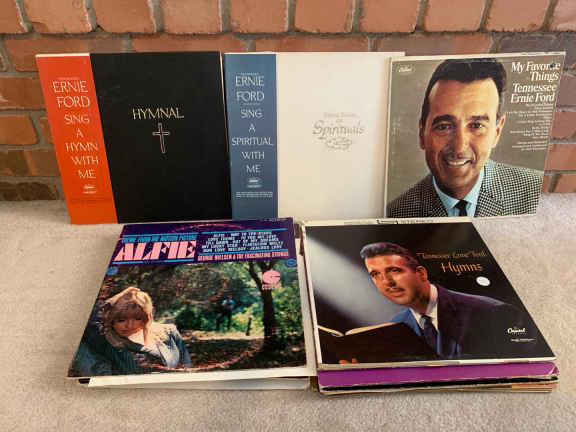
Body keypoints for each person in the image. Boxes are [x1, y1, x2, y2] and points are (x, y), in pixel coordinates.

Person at [387, 58, 543, 218]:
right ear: (422, 133)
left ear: (497, 132)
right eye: (444, 126)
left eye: (476, 125)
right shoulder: (396, 214)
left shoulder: (535, 193)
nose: (459, 147)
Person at [360, 242, 524, 359]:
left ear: (421, 273)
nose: (387, 282)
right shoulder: (397, 324)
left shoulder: (492, 312)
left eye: (394, 270)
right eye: (375, 274)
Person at [73, 287, 192, 376]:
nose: (129, 325)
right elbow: (82, 319)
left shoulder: (169, 332)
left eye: (137, 318)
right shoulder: (108, 342)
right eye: (121, 320)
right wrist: (111, 302)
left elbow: (188, 368)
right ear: (111, 320)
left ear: (146, 317)